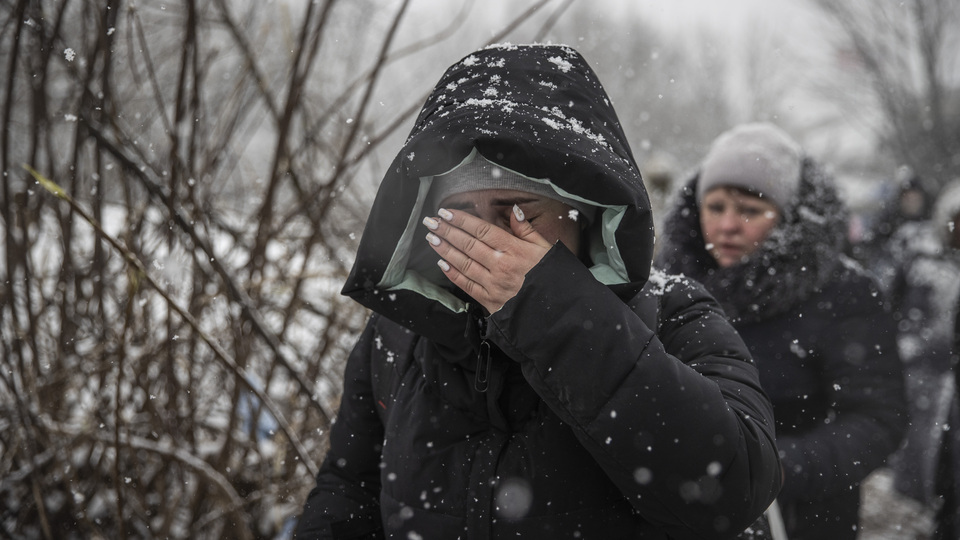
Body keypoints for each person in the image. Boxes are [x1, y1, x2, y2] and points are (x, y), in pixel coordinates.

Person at [293, 44, 781, 539]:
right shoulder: (397, 335)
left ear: (584, 212)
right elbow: (348, 491)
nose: (487, 238)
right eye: (462, 213)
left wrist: (550, 308)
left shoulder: (675, 313)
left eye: (516, 210)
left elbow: (733, 490)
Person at [655, 123, 907, 540]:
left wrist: (775, 467)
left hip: (805, 518)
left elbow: (879, 418)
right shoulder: (668, 289)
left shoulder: (845, 293)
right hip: (689, 512)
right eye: (715, 207)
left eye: (750, 210)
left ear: (788, 216)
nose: (728, 225)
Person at [885, 178, 960, 539]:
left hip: (945, 372)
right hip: (923, 370)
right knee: (924, 453)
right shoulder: (918, 253)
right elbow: (894, 300)